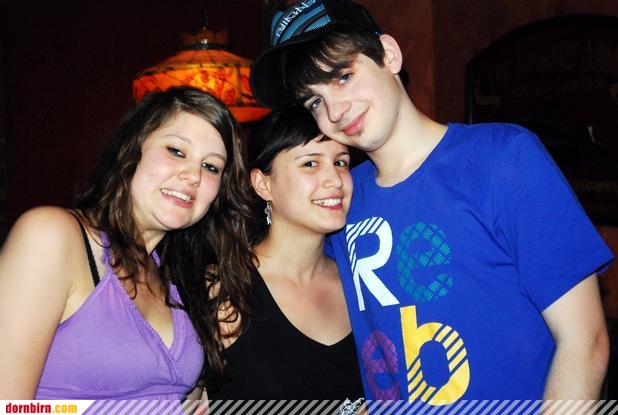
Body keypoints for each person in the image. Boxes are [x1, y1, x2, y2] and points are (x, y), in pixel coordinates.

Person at [249, 0, 615, 404]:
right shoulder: (341, 198)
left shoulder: (502, 158)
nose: (335, 110)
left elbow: (585, 340)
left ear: (388, 55)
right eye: (314, 101)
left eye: (344, 76)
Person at [0, 86, 251, 400]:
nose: (193, 175)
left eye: (211, 166)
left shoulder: (178, 278)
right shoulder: (51, 236)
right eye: (176, 151)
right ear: (132, 149)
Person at [205, 106, 364, 400]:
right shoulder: (224, 287)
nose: (335, 179)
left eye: (341, 162)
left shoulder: (362, 280)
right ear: (263, 184)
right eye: (310, 163)